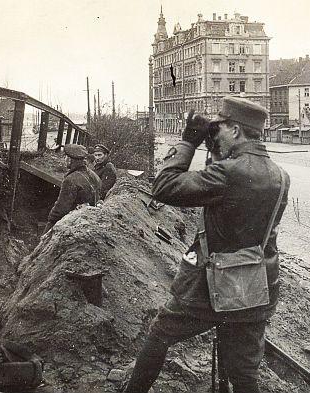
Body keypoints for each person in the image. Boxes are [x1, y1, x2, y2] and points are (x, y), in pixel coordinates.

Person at [123, 96, 290, 393]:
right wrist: (217, 151)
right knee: (243, 371)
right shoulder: (280, 175)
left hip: (213, 287)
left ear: (236, 131)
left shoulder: (227, 173)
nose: (216, 136)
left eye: (220, 129)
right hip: (256, 285)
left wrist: (189, 141)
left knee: (160, 333)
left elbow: (164, 186)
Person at [43, 144, 101, 235]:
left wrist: (50, 221)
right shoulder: (93, 175)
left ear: (71, 160)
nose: (65, 160)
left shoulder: (70, 180)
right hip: (89, 219)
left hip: (75, 222)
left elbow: (61, 208)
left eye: (66, 157)